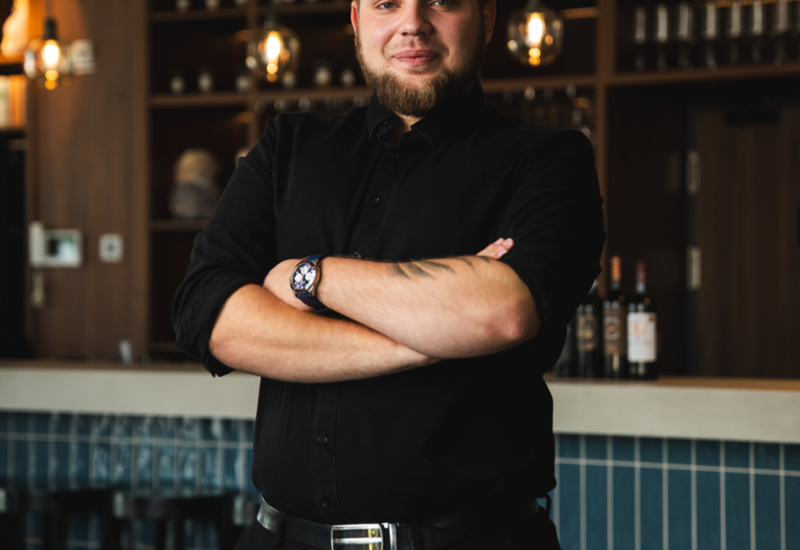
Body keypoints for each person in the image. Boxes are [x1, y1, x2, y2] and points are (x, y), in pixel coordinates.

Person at [173, 0, 605, 548]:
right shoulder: (286, 148)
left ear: (488, 17)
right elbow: (208, 317)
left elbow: (501, 312)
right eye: (386, 3)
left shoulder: (549, 160)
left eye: (442, 1)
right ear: (356, 18)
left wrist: (310, 276)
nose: (412, 23)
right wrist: (431, 338)